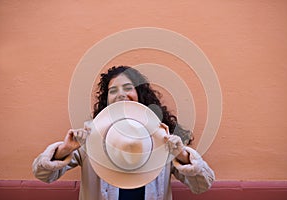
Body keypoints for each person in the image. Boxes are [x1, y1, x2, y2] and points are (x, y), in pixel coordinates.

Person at [32, 66, 215, 200]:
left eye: (128, 88)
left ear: (140, 94)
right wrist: (65, 149)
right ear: (107, 100)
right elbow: (43, 174)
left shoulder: (161, 136)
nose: (120, 94)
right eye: (113, 91)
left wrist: (181, 154)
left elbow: (202, 184)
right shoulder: (91, 135)